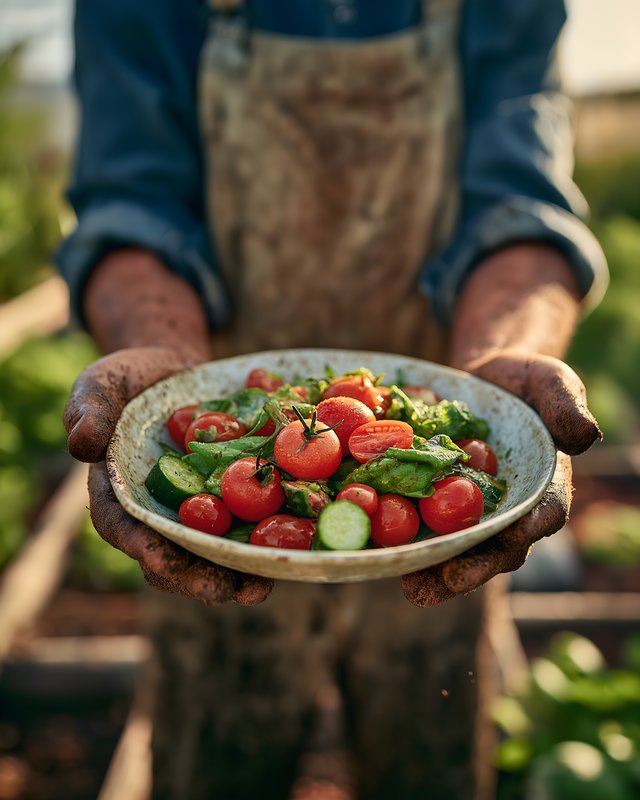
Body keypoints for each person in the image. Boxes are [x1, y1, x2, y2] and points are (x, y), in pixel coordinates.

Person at [58, 1, 607, 798]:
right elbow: (129, 202)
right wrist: (166, 358)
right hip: (220, 545)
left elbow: (521, 203)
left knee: (432, 763)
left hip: (440, 548)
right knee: (216, 765)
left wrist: (499, 356)